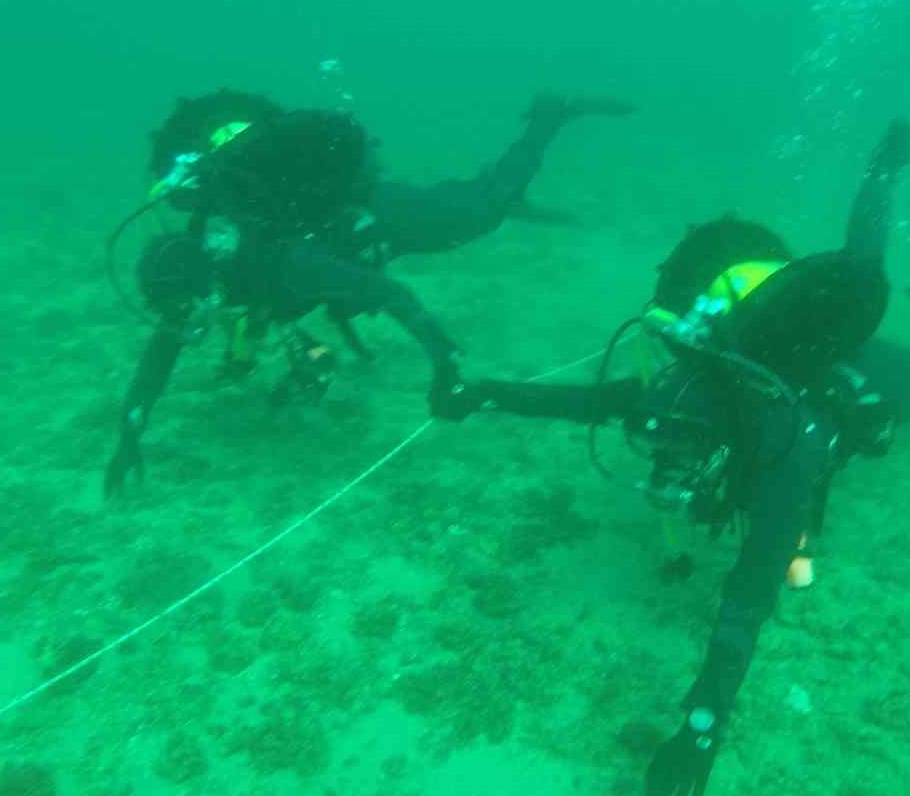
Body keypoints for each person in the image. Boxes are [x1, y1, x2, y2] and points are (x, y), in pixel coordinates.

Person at [433, 119, 910, 796]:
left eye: (674, 455)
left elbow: (750, 592)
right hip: (779, 336)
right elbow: (582, 402)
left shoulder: (788, 453)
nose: (666, 467)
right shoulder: (684, 392)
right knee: (858, 271)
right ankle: (887, 165)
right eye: (661, 452)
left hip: (855, 379)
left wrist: (703, 724)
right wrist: (483, 393)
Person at [102, 89, 634, 498]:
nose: (184, 322)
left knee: (485, 206)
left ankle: (548, 117)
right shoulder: (209, 261)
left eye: (183, 308)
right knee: (478, 209)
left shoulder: (281, 263)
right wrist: (131, 430)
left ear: (200, 284)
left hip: (382, 219)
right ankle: (502, 198)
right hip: (346, 242)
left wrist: (444, 364)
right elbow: (160, 354)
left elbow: (391, 294)